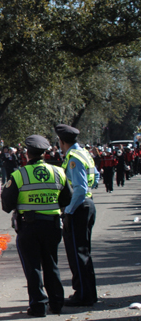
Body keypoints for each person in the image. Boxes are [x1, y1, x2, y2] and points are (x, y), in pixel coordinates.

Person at [1, 135, 72, 317]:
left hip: (29, 226)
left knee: (33, 267)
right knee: (51, 264)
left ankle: (38, 306)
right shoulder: (58, 172)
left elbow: (7, 204)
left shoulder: (20, 174)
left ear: (27, 154)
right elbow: (67, 198)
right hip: (52, 225)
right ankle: (56, 303)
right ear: (45, 153)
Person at [56, 124, 99, 307]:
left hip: (78, 208)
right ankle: (88, 293)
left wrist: (68, 210)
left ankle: (82, 295)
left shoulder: (73, 158)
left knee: (77, 254)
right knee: (83, 252)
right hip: (87, 204)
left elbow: (80, 188)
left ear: (62, 141)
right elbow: (96, 177)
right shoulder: (84, 153)